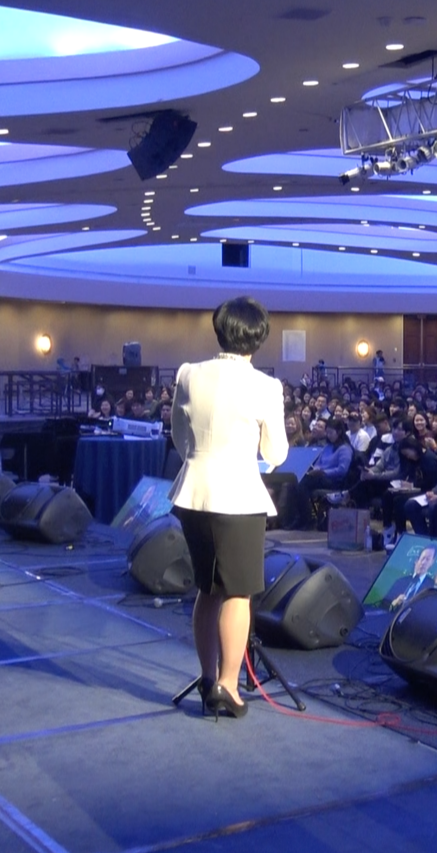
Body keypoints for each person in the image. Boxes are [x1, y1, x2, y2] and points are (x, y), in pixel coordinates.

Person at [169, 296, 287, 720]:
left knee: (208, 589)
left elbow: (179, 437)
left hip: (193, 492)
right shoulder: (266, 386)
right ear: (259, 336)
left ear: (218, 329)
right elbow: (276, 452)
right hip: (238, 496)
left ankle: (208, 678)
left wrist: (202, 456)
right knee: (238, 593)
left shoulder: (188, 373)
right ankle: (229, 686)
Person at [386, 543, 437, 610]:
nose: (423, 562)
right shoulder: (400, 581)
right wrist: (393, 604)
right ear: (417, 560)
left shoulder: (432, 587)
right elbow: (383, 604)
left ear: (432, 562)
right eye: (422, 558)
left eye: (427, 559)